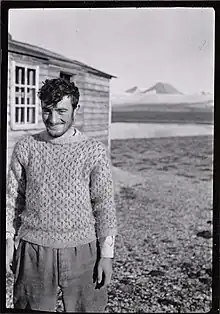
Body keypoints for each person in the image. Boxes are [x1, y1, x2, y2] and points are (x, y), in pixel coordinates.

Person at [6, 78, 117, 312]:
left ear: (76, 109)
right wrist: (8, 240)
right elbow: (13, 199)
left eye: (61, 111)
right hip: (33, 251)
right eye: (47, 111)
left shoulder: (93, 151)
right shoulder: (26, 147)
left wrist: (106, 254)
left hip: (83, 250)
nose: (53, 119)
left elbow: (104, 204)